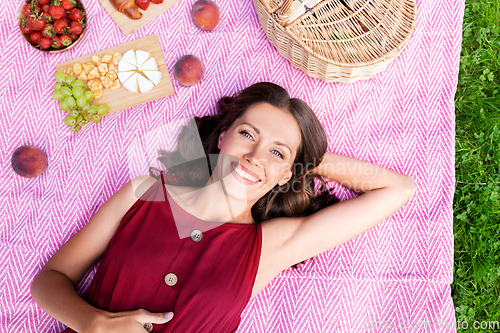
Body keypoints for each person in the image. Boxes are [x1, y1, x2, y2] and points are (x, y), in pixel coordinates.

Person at [30, 82, 415, 333]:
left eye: (275, 152)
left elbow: (397, 189)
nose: (253, 157)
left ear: (287, 174)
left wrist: (303, 157)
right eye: (248, 134)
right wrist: (93, 323)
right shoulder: (144, 194)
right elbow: (50, 279)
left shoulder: (270, 247)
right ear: (223, 136)